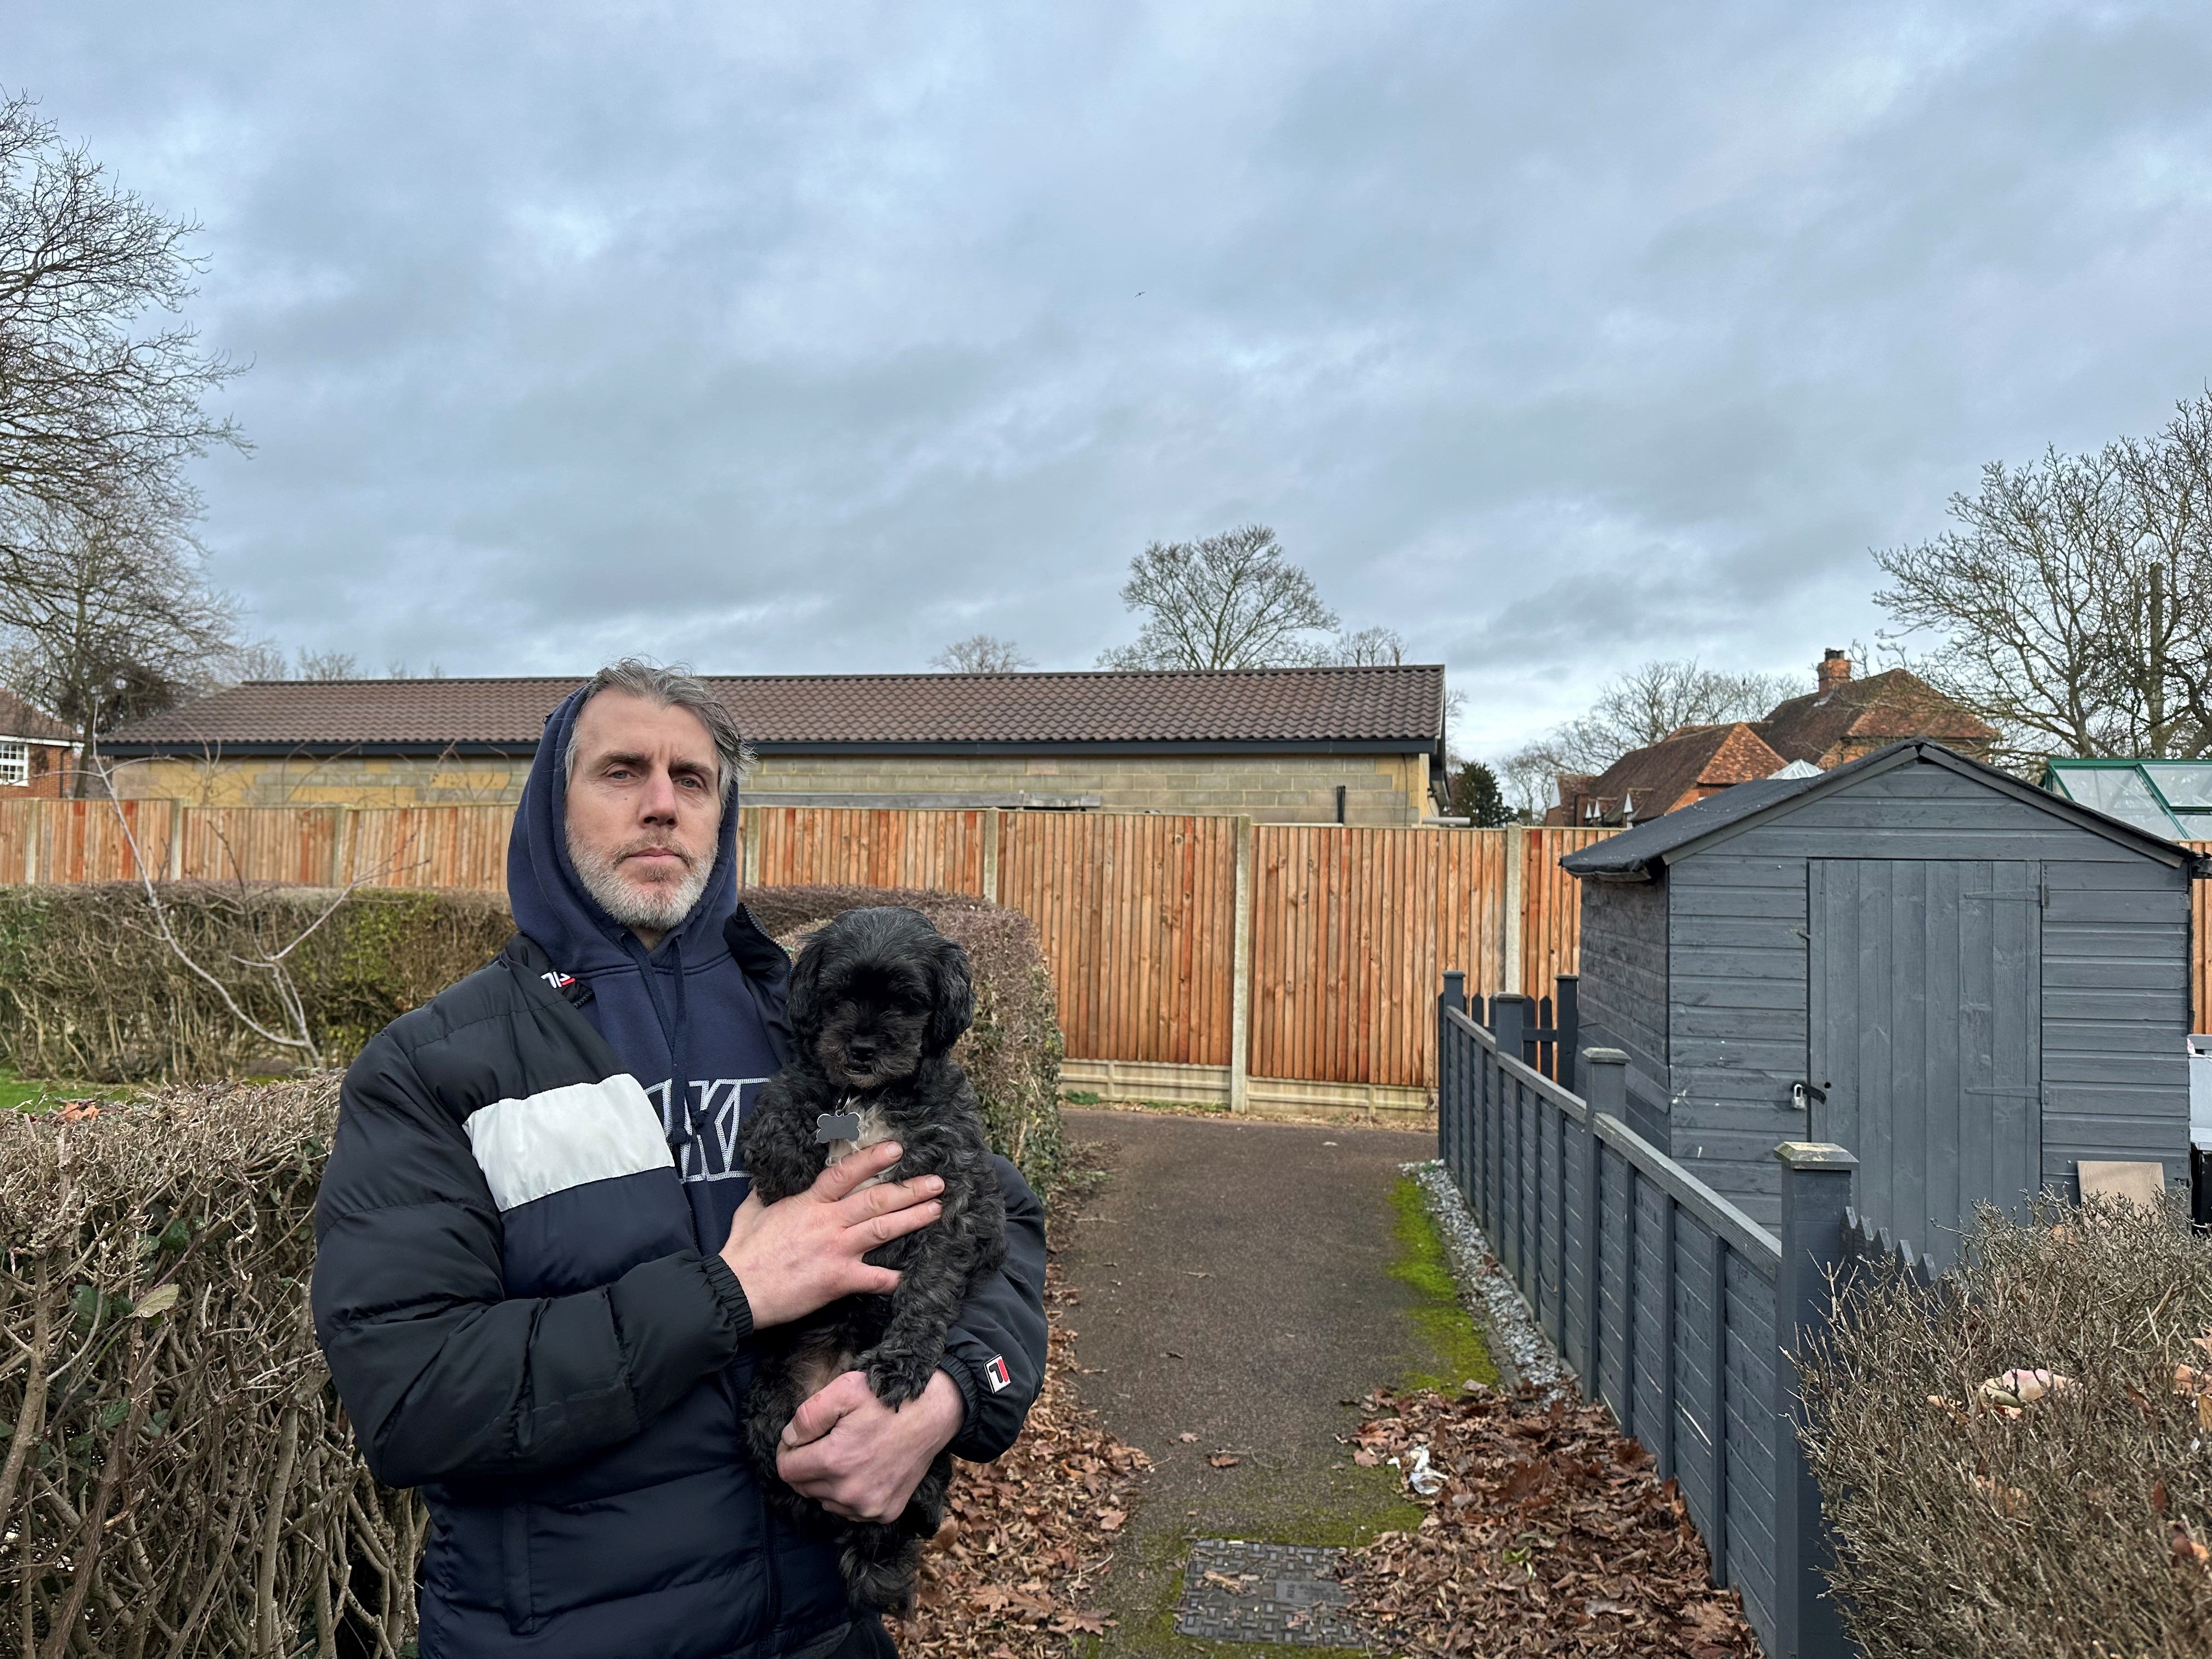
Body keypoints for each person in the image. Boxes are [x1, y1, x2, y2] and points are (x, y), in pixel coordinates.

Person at [311, 660, 1048, 1659]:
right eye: (622, 772)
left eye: (692, 780)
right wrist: (730, 1293)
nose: (662, 805)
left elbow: (998, 1223)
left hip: (825, 1629)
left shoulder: (819, 1024)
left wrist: (949, 1394)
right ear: (549, 802)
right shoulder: (437, 1067)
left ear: (722, 813)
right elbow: (411, 1397)